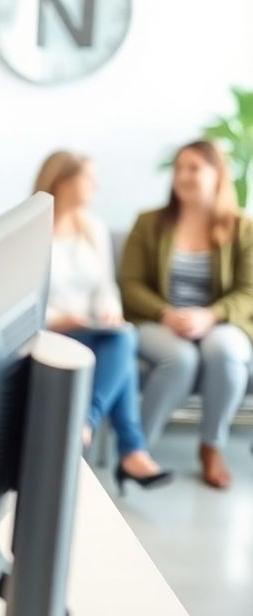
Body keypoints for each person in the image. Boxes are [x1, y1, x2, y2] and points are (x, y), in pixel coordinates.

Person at [33, 151, 170, 494]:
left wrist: (110, 311)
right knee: (124, 347)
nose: (96, 185)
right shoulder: (32, 227)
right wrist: (58, 319)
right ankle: (131, 451)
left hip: (91, 330)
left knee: (123, 334)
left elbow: (105, 286)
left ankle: (83, 424)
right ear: (63, 181)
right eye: (88, 178)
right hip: (49, 332)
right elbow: (19, 296)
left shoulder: (92, 228)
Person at [120, 140, 253, 489]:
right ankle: (136, 450)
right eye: (179, 168)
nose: (183, 176)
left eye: (194, 167)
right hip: (158, 320)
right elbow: (130, 283)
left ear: (216, 174)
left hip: (219, 322)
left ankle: (212, 446)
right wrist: (164, 312)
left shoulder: (243, 229)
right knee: (179, 359)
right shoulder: (148, 223)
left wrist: (210, 316)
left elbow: (248, 291)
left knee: (225, 352)